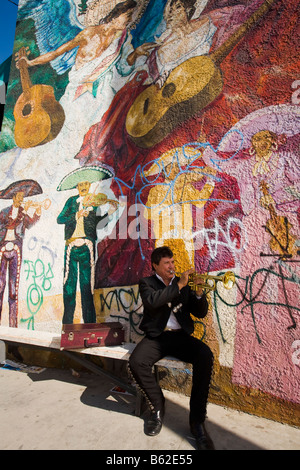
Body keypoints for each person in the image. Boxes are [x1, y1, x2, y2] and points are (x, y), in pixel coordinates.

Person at [128, 246, 215, 450]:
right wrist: (178, 286)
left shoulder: (181, 284)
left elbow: (199, 313)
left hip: (180, 337)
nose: (172, 266)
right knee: (136, 362)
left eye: (173, 262)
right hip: (157, 337)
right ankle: (158, 406)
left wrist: (199, 293)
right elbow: (152, 302)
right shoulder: (147, 283)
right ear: (155, 266)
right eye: (167, 263)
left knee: (205, 356)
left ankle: (197, 421)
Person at [57, 178, 116, 324]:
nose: (83, 187)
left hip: (87, 247)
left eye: (86, 184)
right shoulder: (71, 201)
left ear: (89, 185)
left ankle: (89, 323)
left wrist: (110, 212)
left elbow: (99, 224)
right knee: (69, 286)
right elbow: (60, 219)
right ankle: (67, 324)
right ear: (77, 186)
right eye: (80, 184)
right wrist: (77, 215)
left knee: (87, 286)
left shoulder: (94, 203)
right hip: (71, 246)